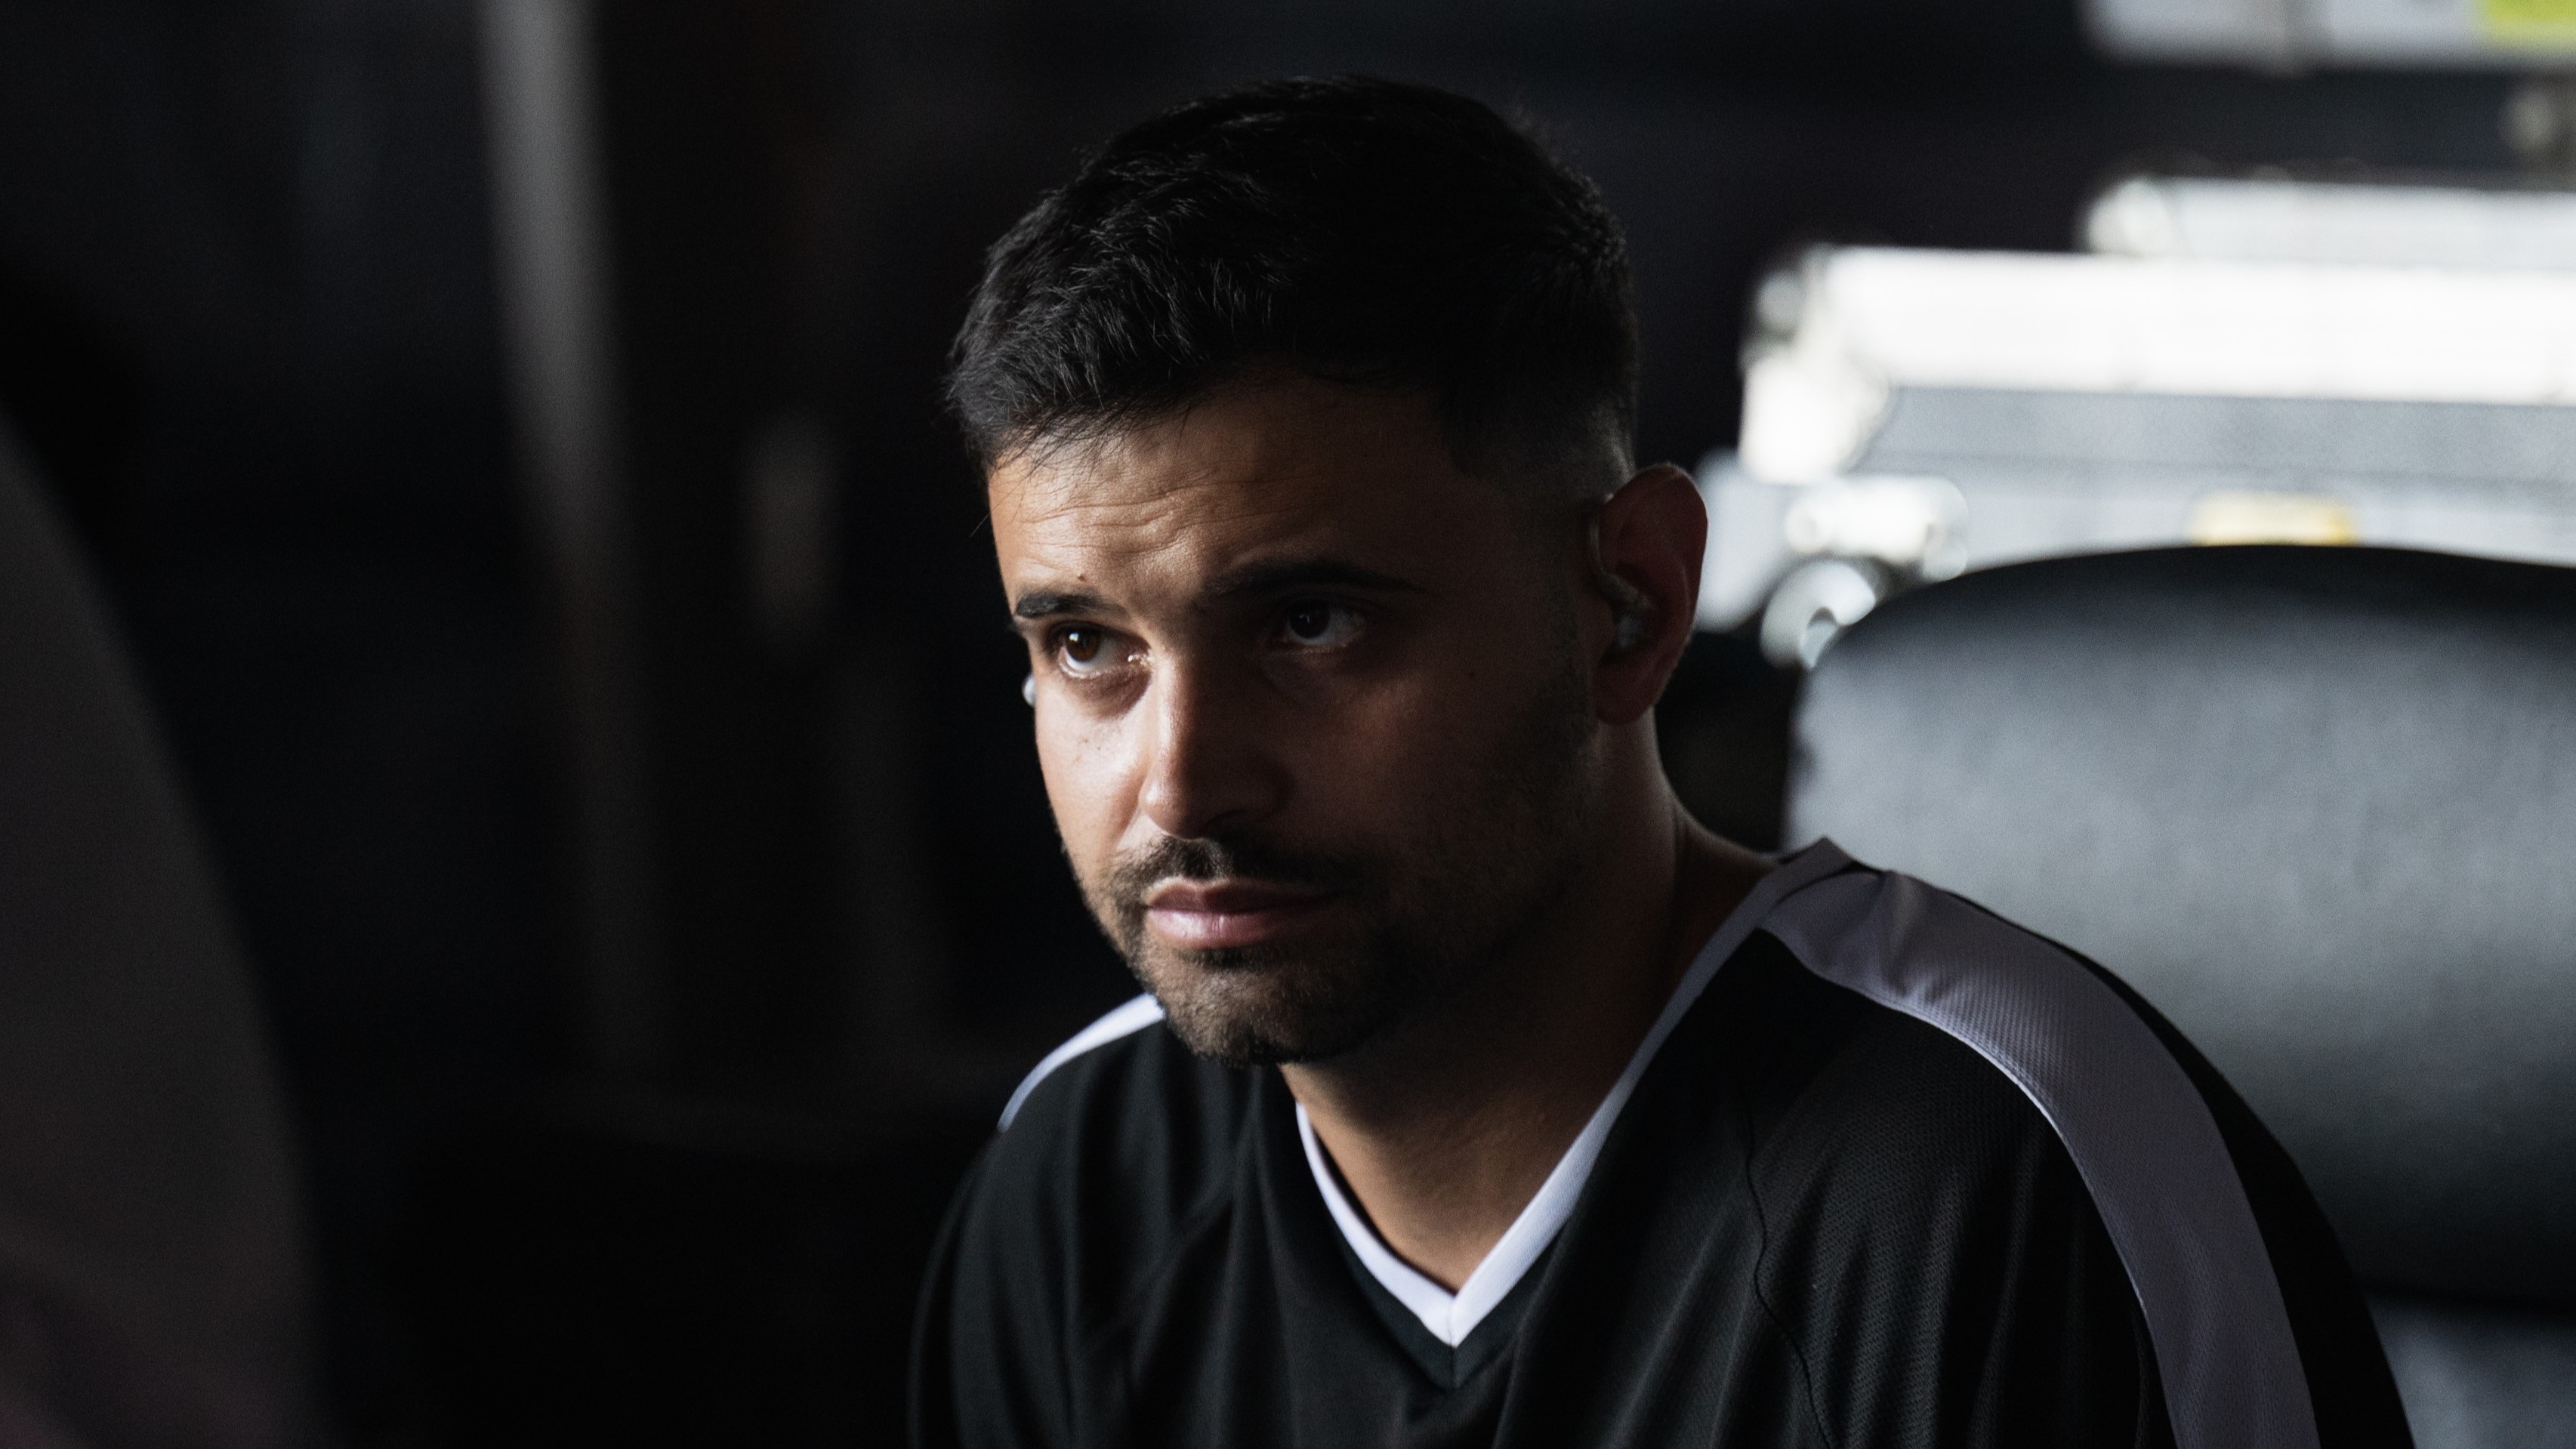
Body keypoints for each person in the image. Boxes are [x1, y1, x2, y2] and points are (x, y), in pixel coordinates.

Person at [910, 76, 2407, 1448]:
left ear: (1629, 603)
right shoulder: (1080, 1191)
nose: (1181, 787)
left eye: (1310, 624)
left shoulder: (1988, 1184)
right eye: (1087, 647)